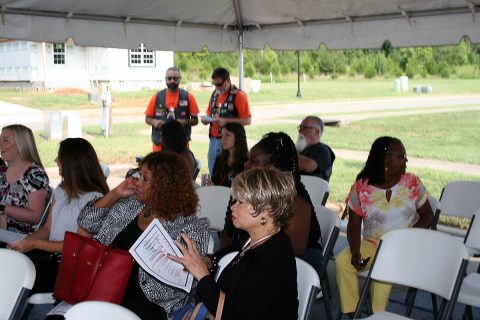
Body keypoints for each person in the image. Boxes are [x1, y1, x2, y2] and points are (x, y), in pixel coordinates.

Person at [78, 151, 210, 320]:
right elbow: (86, 223)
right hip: (105, 286)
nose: (137, 183)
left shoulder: (191, 227)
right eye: (139, 176)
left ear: (165, 185)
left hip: (149, 303)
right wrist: (115, 194)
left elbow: (184, 284)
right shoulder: (129, 206)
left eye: (145, 179)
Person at [170, 167, 298, 319]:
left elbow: (234, 315)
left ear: (267, 211)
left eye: (240, 202)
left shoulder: (273, 258)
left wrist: (202, 274)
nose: (232, 207)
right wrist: (208, 261)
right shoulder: (254, 238)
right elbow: (228, 253)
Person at [335, 136, 434, 318]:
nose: (406, 160)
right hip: (372, 244)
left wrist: (405, 237)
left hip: (405, 247)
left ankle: (377, 315)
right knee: (343, 261)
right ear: (385, 158)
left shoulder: (411, 182)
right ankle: (353, 315)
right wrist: (356, 251)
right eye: (401, 156)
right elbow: (354, 225)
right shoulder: (362, 188)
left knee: (383, 266)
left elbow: (428, 216)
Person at [8, 138, 109, 293]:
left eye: (59, 157)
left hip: (70, 266)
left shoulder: (95, 199)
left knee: (16, 280)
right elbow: (48, 229)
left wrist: (34, 244)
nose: (55, 160)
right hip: (49, 257)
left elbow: (78, 244)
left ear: (72, 163)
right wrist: (26, 240)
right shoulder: (61, 190)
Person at [220, 132, 323, 275]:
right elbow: (229, 231)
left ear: (271, 168)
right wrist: (223, 258)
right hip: (257, 251)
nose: (246, 164)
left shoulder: (295, 199)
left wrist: (249, 254)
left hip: (299, 261)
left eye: (254, 161)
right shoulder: (245, 192)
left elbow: (294, 248)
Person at [0, 124, 50, 234]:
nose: (0, 144)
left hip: (20, 240)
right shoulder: (2, 172)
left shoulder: (34, 175)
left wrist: (4, 209)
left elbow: (36, 216)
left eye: (5, 140)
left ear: (20, 145)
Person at [201, 67, 251, 174]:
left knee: (228, 174)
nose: (216, 87)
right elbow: (209, 112)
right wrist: (205, 119)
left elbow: (247, 120)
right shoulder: (214, 94)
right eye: (214, 84)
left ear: (228, 80)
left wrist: (226, 121)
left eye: (219, 84)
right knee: (213, 172)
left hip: (232, 142)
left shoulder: (239, 95)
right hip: (214, 140)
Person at [145, 67, 200, 152]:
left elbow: (195, 120)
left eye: (175, 78)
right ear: (165, 79)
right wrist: (154, 122)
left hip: (181, 146)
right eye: (169, 78)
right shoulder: (156, 97)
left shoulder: (188, 97)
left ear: (180, 79)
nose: (172, 81)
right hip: (159, 145)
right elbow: (147, 118)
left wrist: (185, 122)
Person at [296, 116, 335, 182]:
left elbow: (309, 166)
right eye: (300, 127)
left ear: (317, 132)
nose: (300, 131)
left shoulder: (323, 150)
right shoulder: (299, 149)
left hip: (310, 190)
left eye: (305, 128)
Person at [209, 122, 249, 187]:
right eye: (222, 135)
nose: (222, 139)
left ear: (238, 136)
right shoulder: (219, 159)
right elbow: (214, 181)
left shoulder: (246, 163)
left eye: (227, 135)